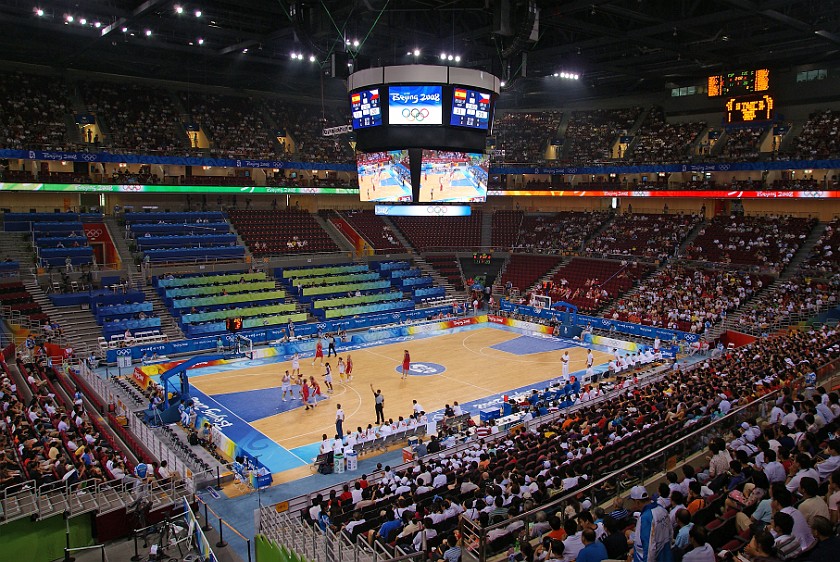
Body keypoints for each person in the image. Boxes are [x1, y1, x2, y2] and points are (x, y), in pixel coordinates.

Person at [629, 485, 673, 562]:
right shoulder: (661, 508)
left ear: (637, 502)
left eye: (633, 501)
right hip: (666, 555)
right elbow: (670, 533)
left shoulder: (646, 518)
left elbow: (649, 548)